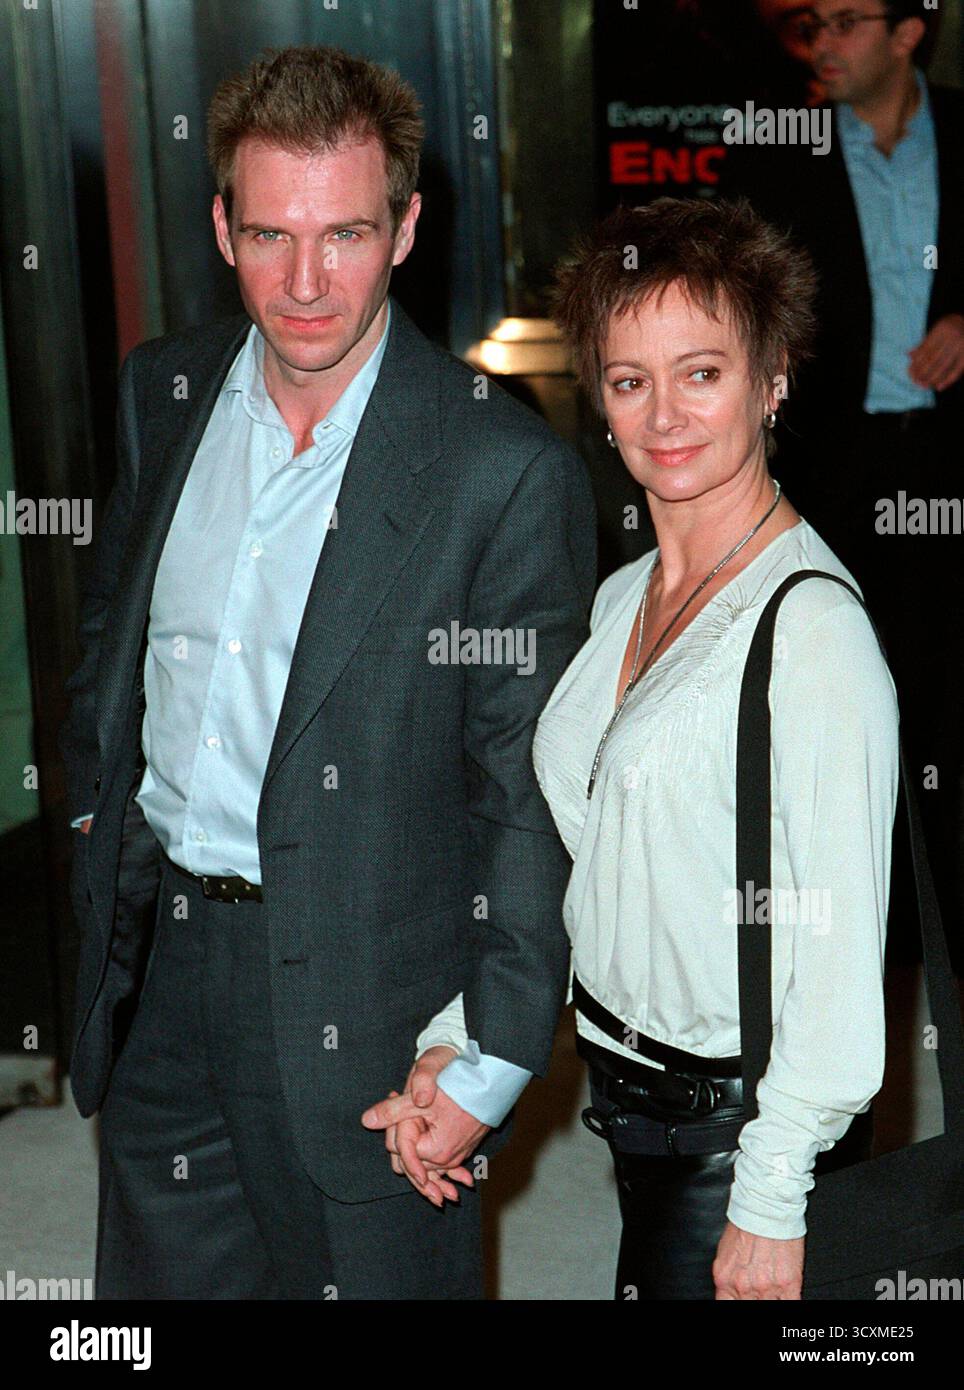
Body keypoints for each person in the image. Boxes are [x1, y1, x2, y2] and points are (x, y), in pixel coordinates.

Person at [59, 43, 597, 1300]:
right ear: (219, 225)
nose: (305, 283)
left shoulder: (499, 473)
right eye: (269, 236)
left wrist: (494, 1054)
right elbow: (114, 652)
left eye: (346, 234)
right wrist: (97, 833)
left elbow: (528, 799)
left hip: (374, 1005)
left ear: (406, 229)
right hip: (159, 973)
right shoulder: (163, 392)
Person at [531, 196, 899, 1299]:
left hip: (734, 1145)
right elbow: (596, 858)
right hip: (630, 1113)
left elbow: (839, 964)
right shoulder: (622, 598)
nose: (663, 415)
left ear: (772, 376)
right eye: (629, 378)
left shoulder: (812, 634)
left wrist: (771, 1194)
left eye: (702, 371)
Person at [721, 0, 964, 970]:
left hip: (947, 460)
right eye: (808, 22)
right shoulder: (778, 147)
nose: (820, 42)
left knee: (945, 698)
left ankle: (940, 929)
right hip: (834, 467)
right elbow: (741, 303)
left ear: (909, 31)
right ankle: (860, 932)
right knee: (840, 699)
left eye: (846, 21)